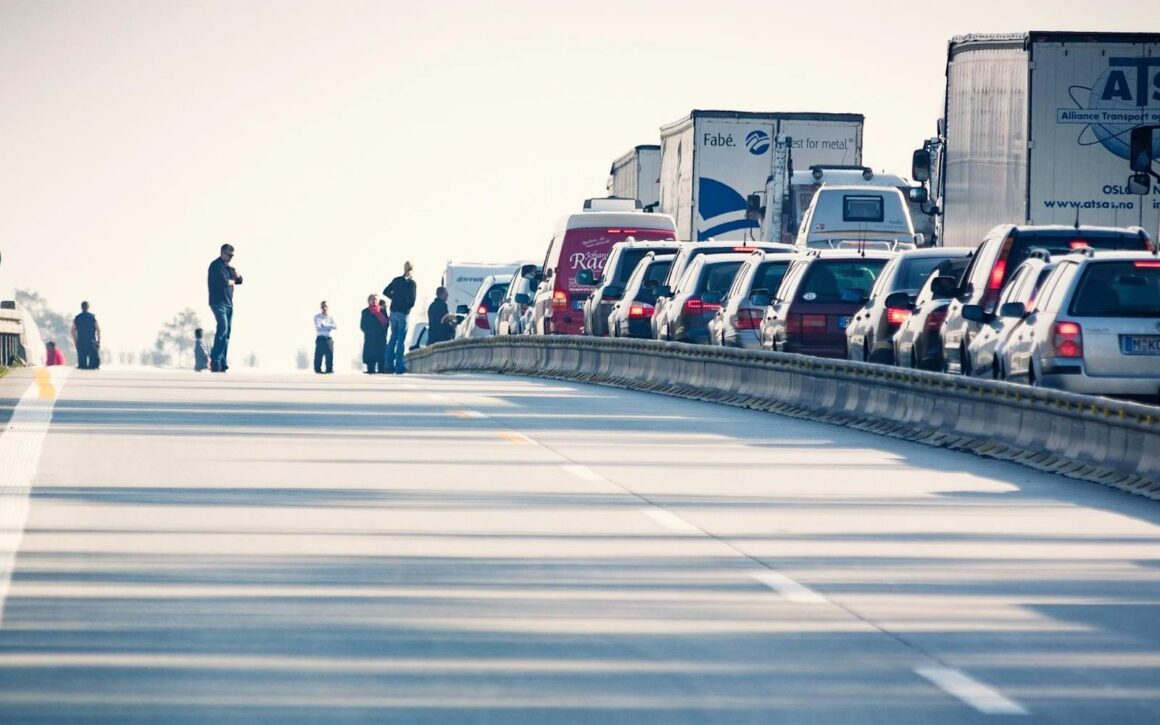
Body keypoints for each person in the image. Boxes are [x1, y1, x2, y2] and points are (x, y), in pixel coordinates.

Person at [207, 243, 243, 372]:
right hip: (218, 302)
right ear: (222, 253)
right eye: (229, 255)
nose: (230, 257)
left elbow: (240, 280)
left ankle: (222, 362)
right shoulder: (216, 266)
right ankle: (215, 360)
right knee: (222, 329)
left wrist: (235, 274)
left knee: (227, 333)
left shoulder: (228, 267)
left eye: (232, 255)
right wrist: (233, 280)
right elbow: (224, 282)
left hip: (228, 303)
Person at [382, 261, 417, 374]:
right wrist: (405, 305)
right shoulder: (411, 283)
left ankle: (388, 365)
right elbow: (412, 301)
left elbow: (386, 291)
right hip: (403, 313)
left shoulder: (396, 280)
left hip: (393, 311)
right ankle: (399, 366)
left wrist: (395, 298)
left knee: (393, 338)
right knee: (401, 340)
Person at [360, 293, 388, 374]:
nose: (374, 301)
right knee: (370, 354)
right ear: (369, 301)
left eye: (376, 299)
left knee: (381, 354)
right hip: (370, 337)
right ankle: (370, 369)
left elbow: (386, 323)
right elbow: (363, 325)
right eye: (372, 299)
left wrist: (382, 332)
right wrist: (370, 332)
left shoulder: (382, 311)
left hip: (381, 337)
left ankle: (381, 369)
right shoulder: (365, 312)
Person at [71, 301, 101, 370]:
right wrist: (98, 341)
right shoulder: (92, 317)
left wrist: (75, 342)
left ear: (81, 307)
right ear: (88, 307)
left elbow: (72, 331)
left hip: (81, 342)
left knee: (82, 365)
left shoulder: (77, 318)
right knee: (94, 366)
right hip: (91, 342)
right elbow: (98, 330)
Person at [313, 301, 337, 374]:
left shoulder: (330, 317)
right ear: (321, 307)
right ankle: (318, 370)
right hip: (320, 338)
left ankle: (329, 369)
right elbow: (318, 327)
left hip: (328, 338)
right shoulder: (317, 317)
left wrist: (325, 325)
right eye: (323, 306)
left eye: (325, 306)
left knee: (329, 354)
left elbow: (335, 326)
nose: (324, 308)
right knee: (319, 355)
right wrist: (329, 326)